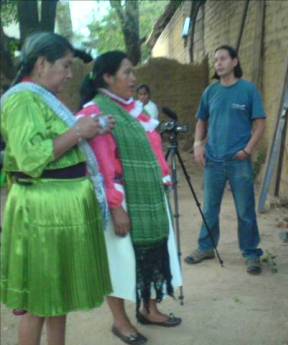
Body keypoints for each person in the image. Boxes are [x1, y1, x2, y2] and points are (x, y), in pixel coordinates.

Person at [0, 32, 112, 345]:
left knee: (56, 298)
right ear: (41, 63)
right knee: (38, 300)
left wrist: (88, 129)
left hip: (55, 211)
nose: (69, 73)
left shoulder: (38, 96)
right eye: (64, 65)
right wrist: (78, 131)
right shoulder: (22, 99)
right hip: (42, 211)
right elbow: (31, 157)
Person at [78, 51, 182, 345]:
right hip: (122, 203)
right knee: (120, 262)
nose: (133, 79)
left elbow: (154, 149)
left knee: (150, 255)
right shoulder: (97, 113)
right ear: (107, 78)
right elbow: (100, 166)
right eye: (127, 73)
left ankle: (150, 309)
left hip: (148, 198)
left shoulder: (136, 109)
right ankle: (120, 321)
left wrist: (162, 177)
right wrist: (115, 207)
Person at [184, 45, 266, 275]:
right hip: (213, 160)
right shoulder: (210, 92)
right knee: (210, 207)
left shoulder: (248, 90)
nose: (218, 63)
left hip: (239, 160)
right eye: (216, 60)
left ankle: (251, 253)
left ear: (234, 62)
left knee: (245, 210)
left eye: (223, 59)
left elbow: (260, 123)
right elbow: (201, 120)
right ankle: (206, 247)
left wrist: (248, 150)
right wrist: (198, 144)